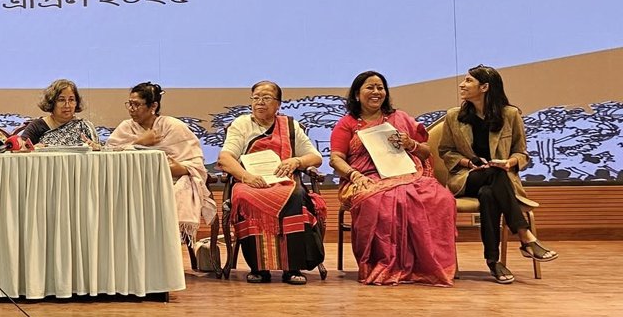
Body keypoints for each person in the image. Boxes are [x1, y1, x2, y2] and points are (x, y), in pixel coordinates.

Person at [329, 71, 457, 286]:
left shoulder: (401, 118)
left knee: (441, 198)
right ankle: (382, 265)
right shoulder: (347, 124)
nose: (376, 92)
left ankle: (424, 266)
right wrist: (354, 175)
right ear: (357, 94)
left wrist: (410, 144)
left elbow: (425, 152)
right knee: (377, 201)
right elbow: (336, 159)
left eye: (380, 88)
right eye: (370, 87)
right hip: (364, 178)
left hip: (406, 174)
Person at [437, 65, 557, 284]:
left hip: (499, 179)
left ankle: (493, 262)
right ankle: (524, 235)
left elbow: (521, 153)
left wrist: (509, 163)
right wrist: (469, 162)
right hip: (466, 178)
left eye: (468, 81)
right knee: (493, 175)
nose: (462, 85)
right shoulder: (454, 116)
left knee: (488, 194)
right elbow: (445, 151)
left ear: (484, 87)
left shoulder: (510, 114)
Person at [216, 81, 326, 285]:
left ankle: (292, 267)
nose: (260, 102)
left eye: (266, 98)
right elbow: (225, 158)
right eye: (256, 98)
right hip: (250, 181)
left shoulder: (289, 126)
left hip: (283, 181)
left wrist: (297, 161)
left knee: (297, 196)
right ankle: (259, 268)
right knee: (244, 198)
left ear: (278, 104)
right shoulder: (241, 124)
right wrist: (246, 177)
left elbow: (315, 157)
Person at [106, 82, 215, 245]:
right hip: (132, 183)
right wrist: (139, 142)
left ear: (153, 106)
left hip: (169, 182)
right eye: (129, 104)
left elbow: (194, 163)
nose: (131, 109)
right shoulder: (126, 127)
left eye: (136, 104)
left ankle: (165, 249)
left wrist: (175, 168)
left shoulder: (173, 126)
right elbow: (111, 157)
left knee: (164, 196)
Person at [18, 79, 101, 148]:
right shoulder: (37, 126)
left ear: (76, 102)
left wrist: (94, 148)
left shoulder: (84, 126)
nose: (67, 105)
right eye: (61, 100)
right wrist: (34, 149)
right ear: (51, 102)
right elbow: (21, 149)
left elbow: (99, 151)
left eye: (71, 100)